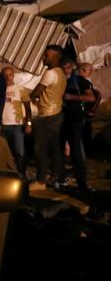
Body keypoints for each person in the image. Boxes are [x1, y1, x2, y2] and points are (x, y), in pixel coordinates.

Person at [29, 45, 67, 191]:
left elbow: (36, 93)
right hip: (57, 113)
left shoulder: (50, 73)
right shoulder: (62, 73)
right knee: (55, 148)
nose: (43, 57)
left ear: (57, 57)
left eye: (47, 55)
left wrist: (32, 97)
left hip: (46, 115)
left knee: (41, 149)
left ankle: (40, 181)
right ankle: (55, 177)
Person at [59, 58, 94, 191]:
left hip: (75, 118)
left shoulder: (80, 81)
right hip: (61, 117)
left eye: (68, 67)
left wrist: (71, 97)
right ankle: (61, 178)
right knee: (59, 148)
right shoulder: (59, 79)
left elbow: (91, 97)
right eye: (64, 67)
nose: (66, 70)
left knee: (76, 149)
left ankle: (81, 181)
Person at [0, 67, 31, 173]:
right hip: (2, 125)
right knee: (3, 153)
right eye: (5, 75)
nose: (7, 77)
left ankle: (22, 174)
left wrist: (29, 123)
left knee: (19, 152)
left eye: (9, 75)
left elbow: (28, 109)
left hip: (16, 126)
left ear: (13, 76)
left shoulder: (21, 89)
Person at [78, 62, 101, 149]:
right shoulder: (89, 83)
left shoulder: (84, 83)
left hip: (83, 111)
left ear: (83, 71)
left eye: (78, 70)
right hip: (86, 111)